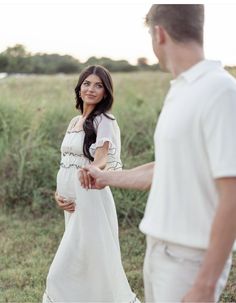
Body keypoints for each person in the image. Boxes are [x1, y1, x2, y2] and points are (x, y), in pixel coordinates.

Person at [80, 5, 236, 303]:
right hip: (158, 248)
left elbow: (232, 192)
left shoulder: (221, 92)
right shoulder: (181, 90)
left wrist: (205, 284)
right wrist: (104, 176)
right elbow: (164, 169)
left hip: (190, 259)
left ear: (159, 34)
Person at [42, 65, 139, 303]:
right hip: (71, 204)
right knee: (84, 264)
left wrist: (93, 169)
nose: (91, 89)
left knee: (66, 270)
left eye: (99, 85)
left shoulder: (104, 120)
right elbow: (66, 162)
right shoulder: (76, 120)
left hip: (89, 199)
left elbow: (102, 158)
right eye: (87, 83)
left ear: (106, 92)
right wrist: (59, 192)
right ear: (79, 87)